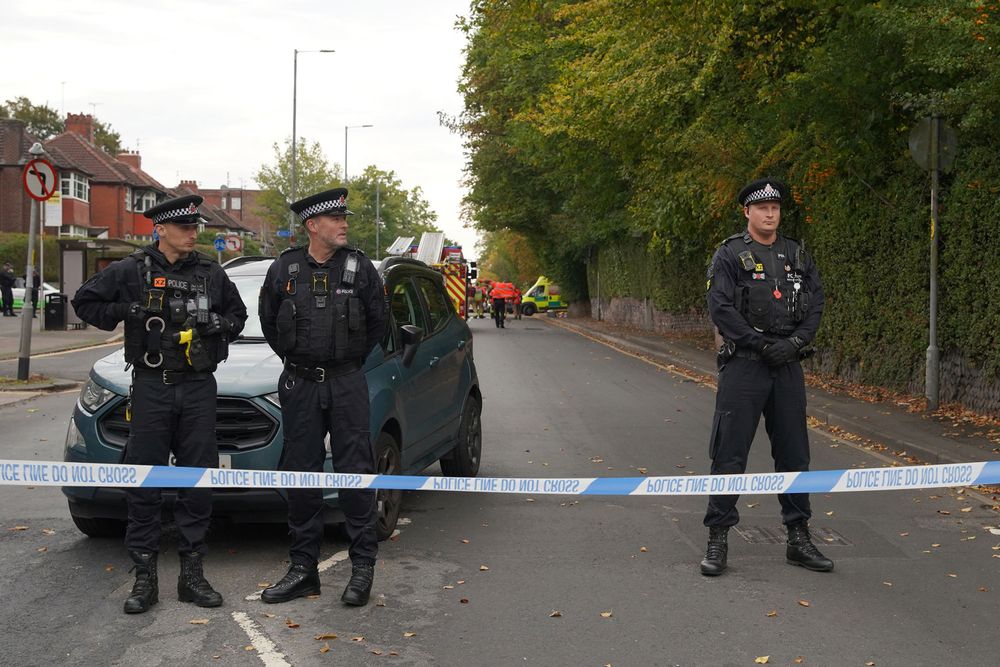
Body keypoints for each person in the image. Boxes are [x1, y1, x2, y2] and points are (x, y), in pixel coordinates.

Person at [71, 194, 248, 613]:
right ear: (161, 229)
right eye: (184, 227)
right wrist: (129, 310)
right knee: (144, 481)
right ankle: (145, 577)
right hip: (152, 386)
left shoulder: (210, 272)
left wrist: (217, 324)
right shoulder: (132, 270)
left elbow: (238, 317)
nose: (192, 234)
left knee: (197, 480)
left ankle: (192, 575)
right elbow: (85, 303)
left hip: (198, 387)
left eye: (194, 227)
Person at [258, 187, 387, 607]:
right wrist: (301, 361)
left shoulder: (360, 268)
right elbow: (269, 322)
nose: (344, 224)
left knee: (356, 473)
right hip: (300, 384)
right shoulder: (284, 268)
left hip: (346, 382)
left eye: (344, 218)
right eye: (335, 219)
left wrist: (344, 363)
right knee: (302, 476)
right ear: (312, 225)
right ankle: (303, 570)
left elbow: (377, 323)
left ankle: (362, 567)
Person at [699, 178, 833, 576]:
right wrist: (758, 344)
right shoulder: (729, 254)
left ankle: (798, 538)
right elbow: (720, 307)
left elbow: (816, 302)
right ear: (748, 212)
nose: (770, 214)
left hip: (787, 365)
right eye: (762, 208)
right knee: (729, 453)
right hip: (745, 365)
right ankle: (718, 539)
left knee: (794, 455)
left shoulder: (797, 254)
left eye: (775, 208)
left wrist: (795, 343)